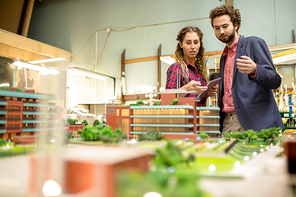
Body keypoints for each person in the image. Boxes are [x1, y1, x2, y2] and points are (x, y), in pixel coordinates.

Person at [209, 5, 284, 133]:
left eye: (225, 26)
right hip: (227, 121)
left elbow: (275, 80)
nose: (221, 31)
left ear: (236, 25)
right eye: (217, 28)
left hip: (254, 121)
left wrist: (255, 69)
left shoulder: (253, 43)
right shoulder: (224, 56)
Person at [165, 26, 218, 106]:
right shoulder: (176, 68)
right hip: (184, 116)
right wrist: (186, 89)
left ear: (200, 44)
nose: (193, 47)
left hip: (200, 116)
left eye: (196, 42)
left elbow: (197, 99)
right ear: (181, 44)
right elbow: (167, 99)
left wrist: (208, 93)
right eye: (188, 43)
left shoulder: (200, 71)